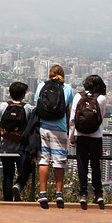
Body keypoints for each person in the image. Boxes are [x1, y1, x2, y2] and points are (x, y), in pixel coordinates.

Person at [34, 65, 74, 207]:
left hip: (43, 127)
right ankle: (59, 193)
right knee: (59, 162)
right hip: (60, 128)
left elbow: (38, 106)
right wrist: (68, 130)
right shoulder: (67, 88)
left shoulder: (41, 86)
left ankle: (43, 193)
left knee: (43, 160)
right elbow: (67, 110)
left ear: (49, 74)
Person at [69, 75, 107, 207]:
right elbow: (101, 117)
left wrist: (72, 137)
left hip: (81, 135)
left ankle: (83, 194)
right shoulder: (101, 98)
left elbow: (73, 119)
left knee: (82, 165)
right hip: (96, 136)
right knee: (96, 165)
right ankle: (98, 194)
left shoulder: (78, 96)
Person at [0, 81, 34, 201]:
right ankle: (18, 185)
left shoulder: (3, 106)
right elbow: (30, 126)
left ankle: (7, 202)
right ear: (23, 94)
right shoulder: (27, 108)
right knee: (25, 171)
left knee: (7, 175)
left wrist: (5, 133)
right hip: (21, 147)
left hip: (5, 148)